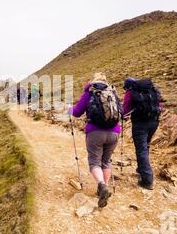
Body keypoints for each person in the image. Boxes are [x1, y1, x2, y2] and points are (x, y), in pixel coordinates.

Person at [68, 73, 122, 207]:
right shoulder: (112, 92)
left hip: (95, 132)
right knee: (106, 161)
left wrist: (69, 109)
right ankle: (104, 188)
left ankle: (102, 185)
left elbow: (76, 112)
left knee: (94, 162)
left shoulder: (90, 92)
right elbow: (121, 111)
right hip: (114, 132)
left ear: (93, 80)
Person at [123, 77, 163, 190]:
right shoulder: (151, 89)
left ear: (127, 86)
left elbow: (125, 110)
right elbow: (159, 105)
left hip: (140, 124)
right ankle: (142, 169)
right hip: (154, 122)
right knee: (146, 146)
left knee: (141, 149)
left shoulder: (130, 92)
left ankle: (147, 180)